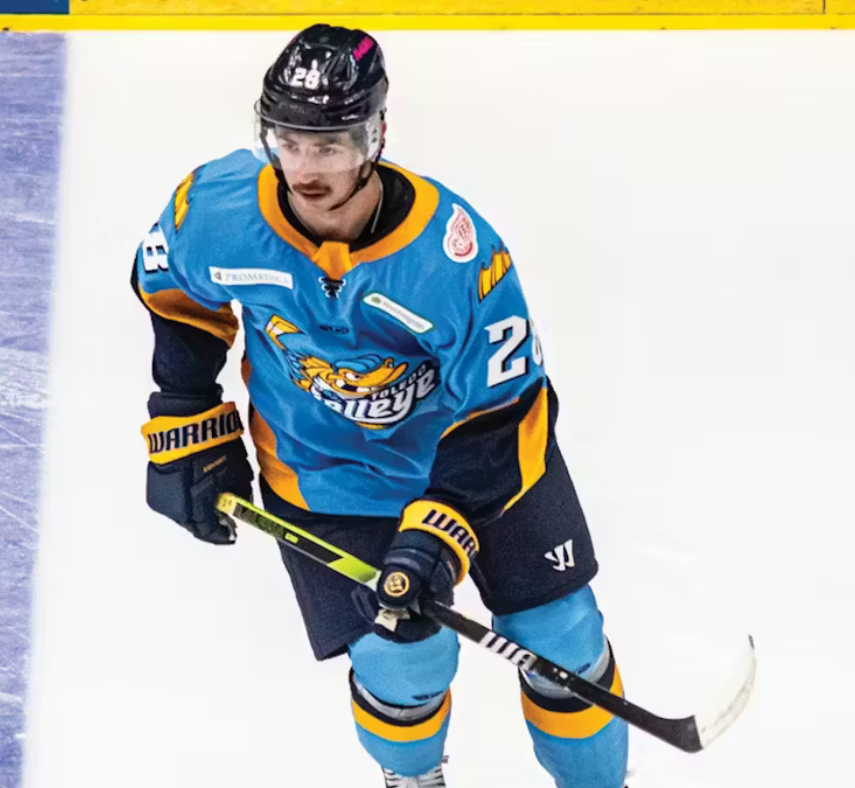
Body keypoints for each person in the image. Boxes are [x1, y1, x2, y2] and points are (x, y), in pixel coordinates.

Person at [134, 23, 628, 788]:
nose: (305, 169)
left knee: (561, 639)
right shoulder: (216, 211)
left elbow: (502, 414)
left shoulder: (455, 256)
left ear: (375, 137)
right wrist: (185, 413)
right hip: (324, 473)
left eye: (329, 145)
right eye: (288, 141)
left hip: (479, 459)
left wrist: (439, 531)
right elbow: (175, 293)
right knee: (404, 660)